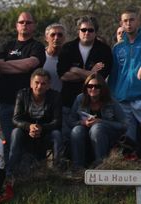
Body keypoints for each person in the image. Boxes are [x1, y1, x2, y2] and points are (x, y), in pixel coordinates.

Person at [58, 16, 112, 155]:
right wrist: (89, 72)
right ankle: (70, 169)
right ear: (78, 31)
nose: (86, 33)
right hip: (68, 100)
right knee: (67, 136)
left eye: (90, 30)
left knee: (93, 136)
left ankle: (93, 167)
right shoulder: (68, 48)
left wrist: (75, 70)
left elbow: (100, 77)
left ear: (96, 32)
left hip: (94, 103)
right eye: (83, 29)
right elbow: (63, 75)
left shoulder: (104, 50)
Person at [0, 12, 46, 151]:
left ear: (34, 26)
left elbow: (30, 65)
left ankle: (26, 171)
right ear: (16, 25)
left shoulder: (37, 46)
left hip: (27, 103)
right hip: (5, 101)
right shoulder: (7, 45)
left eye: (28, 22)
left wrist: (8, 64)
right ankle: (10, 171)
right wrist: (20, 66)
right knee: (9, 139)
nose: (25, 25)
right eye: (22, 22)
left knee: (25, 141)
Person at [7, 68, 62, 176]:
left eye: (43, 83)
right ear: (31, 83)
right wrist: (29, 126)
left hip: (45, 132)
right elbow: (16, 119)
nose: (39, 86)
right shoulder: (22, 94)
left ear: (48, 85)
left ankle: (57, 170)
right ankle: (11, 171)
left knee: (57, 134)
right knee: (15, 132)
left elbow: (57, 121)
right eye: (36, 83)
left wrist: (41, 127)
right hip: (26, 132)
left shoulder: (55, 96)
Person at [70, 73, 126, 168]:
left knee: (97, 128)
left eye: (97, 86)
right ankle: (77, 167)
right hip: (85, 131)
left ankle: (101, 165)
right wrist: (84, 123)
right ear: (86, 87)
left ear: (102, 88)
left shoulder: (111, 101)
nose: (93, 89)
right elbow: (71, 121)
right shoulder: (80, 99)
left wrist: (101, 121)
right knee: (76, 130)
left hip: (107, 134)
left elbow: (124, 125)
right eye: (90, 86)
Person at [109, 7, 141, 155]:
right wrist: (111, 96)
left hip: (140, 97)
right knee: (127, 142)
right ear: (121, 23)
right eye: (125, 21)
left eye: (132, 20)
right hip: (122, 99)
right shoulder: (118, 47)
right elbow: (114, 74)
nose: (129, 23)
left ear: (138, 21)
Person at [42, 23, 66, 93]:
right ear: (46, 38)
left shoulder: (69, 58)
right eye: (53, 35)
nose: (56, 38)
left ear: (64, 38)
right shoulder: (38, 56)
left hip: (63, 101)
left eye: (60, 35)